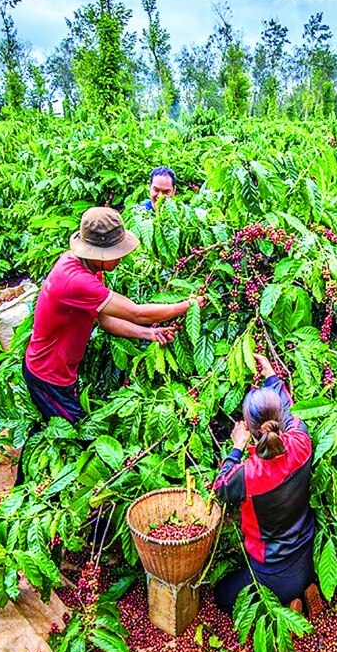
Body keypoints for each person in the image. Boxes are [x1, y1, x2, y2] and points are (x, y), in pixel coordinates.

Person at [17, 207, 204, 483]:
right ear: (100, 254)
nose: (121, 256)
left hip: (60, 371)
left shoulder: (86, 267)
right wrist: (187, 306)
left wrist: (149, 335)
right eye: (117, 251)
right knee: (79, 439)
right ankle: (35, 494)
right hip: (48, 376)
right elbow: (136, 311)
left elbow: (104, 320)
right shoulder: (76, 279)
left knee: (57, 428)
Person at [211, 353, 322, 617]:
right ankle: (304, 590)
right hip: (306, 554)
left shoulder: (249, 473)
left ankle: (283, 607)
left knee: (222, 596)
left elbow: (221, 486)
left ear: (249, 428)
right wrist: (271, 374)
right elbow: (289, 408)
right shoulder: (300, 439)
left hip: (270, 570)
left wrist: (236, 447)